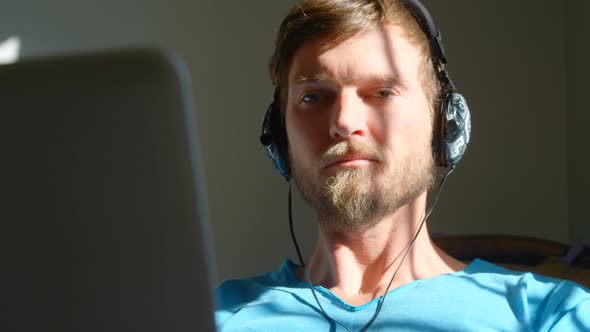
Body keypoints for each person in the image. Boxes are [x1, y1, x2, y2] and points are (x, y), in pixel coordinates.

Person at [215, 0, 590, 330]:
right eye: (313, 97)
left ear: (443, 125)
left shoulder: (550, 314)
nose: (344, 122)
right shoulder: (213, 315)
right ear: (280, 138)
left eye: (381, 93)